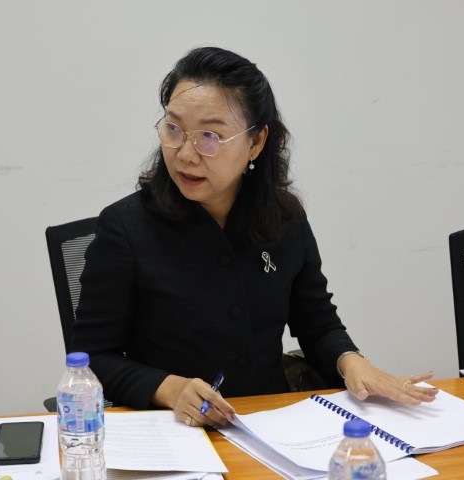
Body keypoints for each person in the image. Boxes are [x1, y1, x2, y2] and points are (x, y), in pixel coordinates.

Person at [70, 46, 438, 428]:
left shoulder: (284, 218)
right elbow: (91, 357)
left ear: (256, 142)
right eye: (174, 129)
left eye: (210, 136)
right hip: (173, 431)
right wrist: (169, 389)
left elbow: (317, 324)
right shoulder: (126, 227)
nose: (186, 154)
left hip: (268, 424)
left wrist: (352, 362)